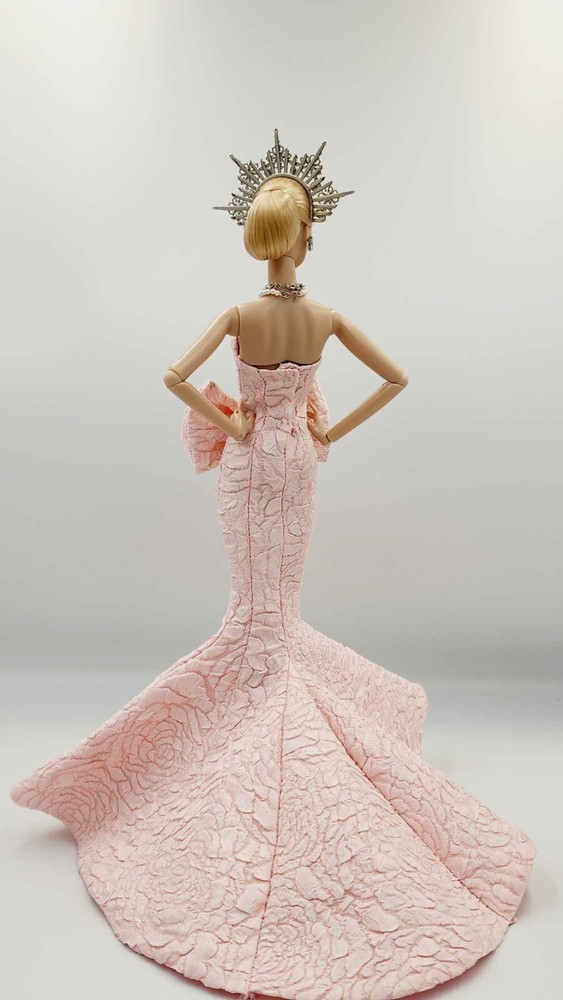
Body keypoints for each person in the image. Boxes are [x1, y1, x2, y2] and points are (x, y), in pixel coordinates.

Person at [11, 129, 536, 1000]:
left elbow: (175, 377)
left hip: (253, 458)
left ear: (258, 235)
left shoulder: (237, 315)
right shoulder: (321, 318)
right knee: (273, 610)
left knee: (254, 608)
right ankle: (266, 706)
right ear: (307, 234)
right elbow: (394, 378)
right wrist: (324, 430)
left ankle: (253, 723)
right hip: (294, 461)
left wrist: (233, 424)